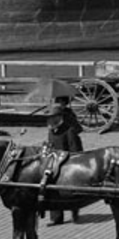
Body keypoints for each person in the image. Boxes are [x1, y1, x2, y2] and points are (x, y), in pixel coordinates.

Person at [45, 96, 84, 225]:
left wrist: (69, 163)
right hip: (54, 163)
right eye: (49, 119)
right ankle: (56, 217)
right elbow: (50, 146)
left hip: (67, 163)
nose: (50, 122)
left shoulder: (69, 131)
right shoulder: (51, 132)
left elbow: (75, 150)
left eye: (53, 118)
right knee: (51, 189)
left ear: (59, 118)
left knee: (71, 189)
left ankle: (75, 210)